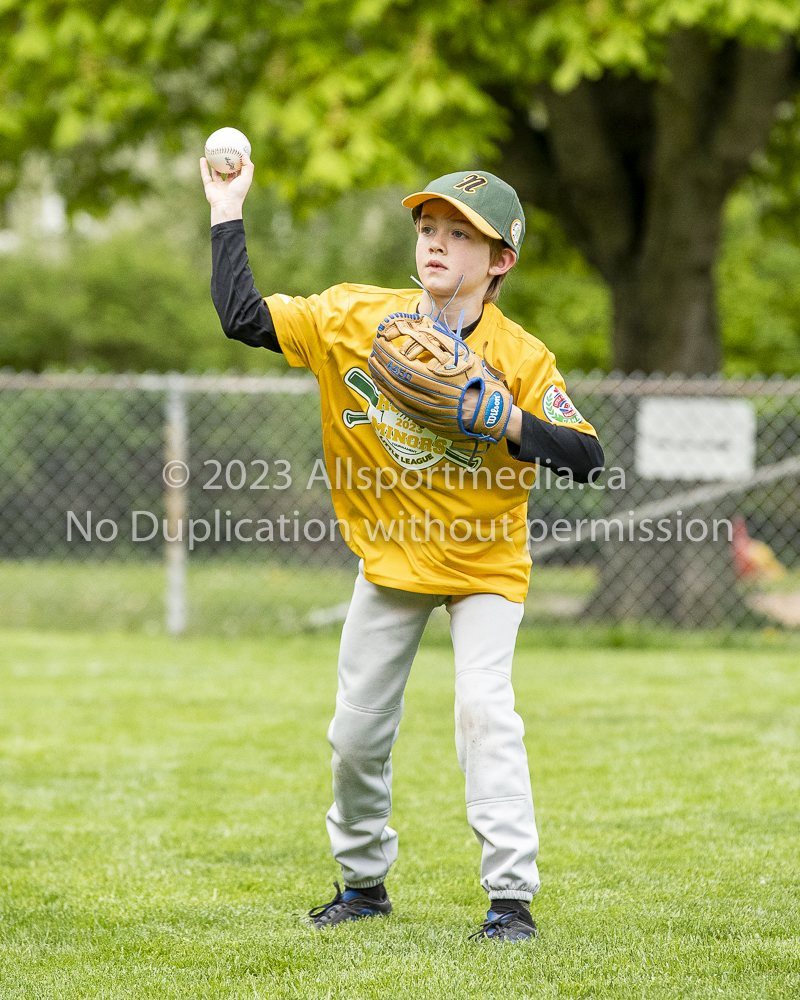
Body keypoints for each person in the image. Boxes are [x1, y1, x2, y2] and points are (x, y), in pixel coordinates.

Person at [201, 153, 603, 943]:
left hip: (486, 562)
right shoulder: (353, 317)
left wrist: (509, 422)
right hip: (391, 558)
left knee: (485, 712)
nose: (438, 245)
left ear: (501, 261)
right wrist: (226, 205)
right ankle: (361, 886)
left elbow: (587, 456)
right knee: (356, 731)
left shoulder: (520, 357)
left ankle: (510, 901)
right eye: (428, 228)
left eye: (462, 235)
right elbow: (242, 316)